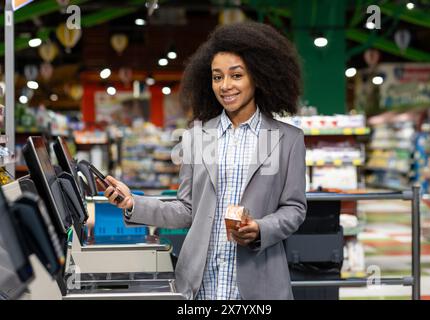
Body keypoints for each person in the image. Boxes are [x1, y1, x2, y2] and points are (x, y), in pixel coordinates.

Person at [103, 21, 307, 300]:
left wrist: (260, 229)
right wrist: (132, 203)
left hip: (257, 286)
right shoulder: (197, 137)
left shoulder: (289, 139)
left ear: (258, 76)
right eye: (217, 77)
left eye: (236, 75)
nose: (225, 86)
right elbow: (186, 209)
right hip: (201, 285)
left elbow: (294, 209)